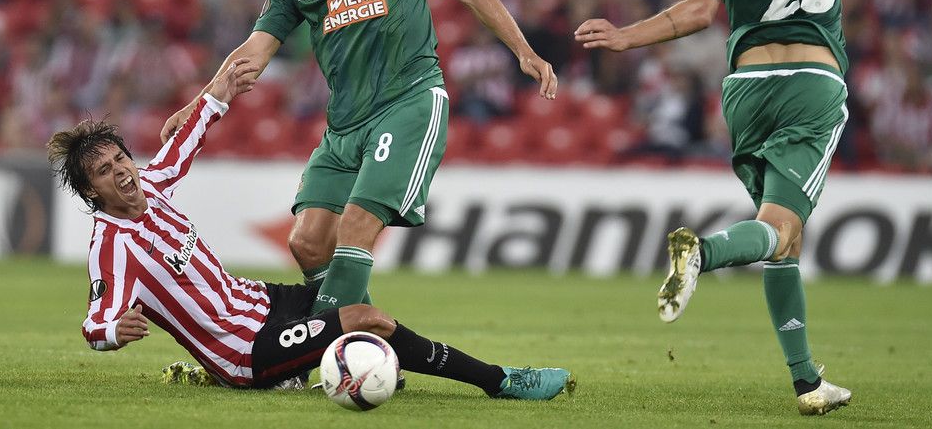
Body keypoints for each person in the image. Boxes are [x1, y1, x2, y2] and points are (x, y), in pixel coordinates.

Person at [575, 0, 922, 416]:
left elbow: (698, 12)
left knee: (782, 240)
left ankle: (807, 382)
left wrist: (625, 37)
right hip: (811, 84)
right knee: (781, 230)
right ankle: (702, 253)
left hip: (746, 91)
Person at [160, 0, 557, 319]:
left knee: (355, 226)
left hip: (408, 103)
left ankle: (320, 340)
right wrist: (198, 106)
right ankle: (370, 341)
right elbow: (254, 51)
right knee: (307, 243)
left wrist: (523, 50)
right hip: (344, 126)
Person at [47, 58, 574, 399]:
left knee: (348, 299)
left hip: (259, 302)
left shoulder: (150, 183)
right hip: (244, 351)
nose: (121, 171)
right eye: (105, 171)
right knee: (365, 317)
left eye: (120, 158)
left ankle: (351, 365)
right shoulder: (112, 247)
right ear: (92, 192)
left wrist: (218, 93)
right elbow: (95, 323)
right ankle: (499, 381)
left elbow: (182, 146)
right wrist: (114, 332)